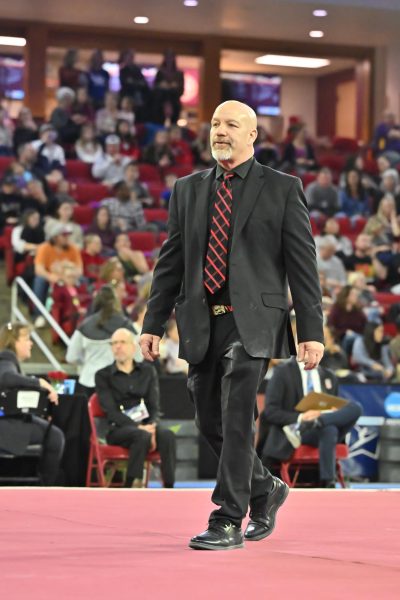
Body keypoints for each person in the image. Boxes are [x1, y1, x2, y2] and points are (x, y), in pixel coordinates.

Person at [139, 100, 324, 550]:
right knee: (208, 420)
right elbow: (171, 263)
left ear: (252, 135)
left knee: (238, 414)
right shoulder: (187, 189)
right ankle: (266, 488)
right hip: (203, 322)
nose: (220, 131)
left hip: (255, 322)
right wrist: (153, 322)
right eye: (216, 123)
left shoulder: (283, 188)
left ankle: (226, 519)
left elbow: (303, 264)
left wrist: (312, 329)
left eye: (231, 125)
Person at [261, 354, 362, 487]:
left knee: (355, 408)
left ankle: (318, 421)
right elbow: (270, 412)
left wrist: (330, 412)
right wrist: (302, 417)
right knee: (330, 429)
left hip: (322, 426)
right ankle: (329, 482)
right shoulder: (282, 372)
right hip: (295, 431)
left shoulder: (328, 375)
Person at [95, 328, 176, 487]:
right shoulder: (102, 375)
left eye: (122, 342)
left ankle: (169, 486)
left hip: (145, 426)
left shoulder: (147, 371)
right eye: (114, 343)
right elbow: (111, 412)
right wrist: (140, 428)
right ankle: (131, 485)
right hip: (117, 428)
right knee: (141, 435)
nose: (117, 346)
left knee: (167, 435)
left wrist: (151, 425)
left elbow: (154, 405)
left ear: (133, 347)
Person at [0, 322, 64, 485]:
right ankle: (45, 487)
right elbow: (6, 377)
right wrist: (39, 383)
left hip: (9, 419)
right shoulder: (6, 358)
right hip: (6, 423)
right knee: (55, 436)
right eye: (27, 338)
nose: (31, 343)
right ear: (14, 341)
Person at [66, 286, 136, 396]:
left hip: (89, 379)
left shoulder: (84, 325)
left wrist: (86, 362)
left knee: (91, 413)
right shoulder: (126, 325)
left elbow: (71, 357)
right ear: (116, 303)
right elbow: (138, 355)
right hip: (120, 380)